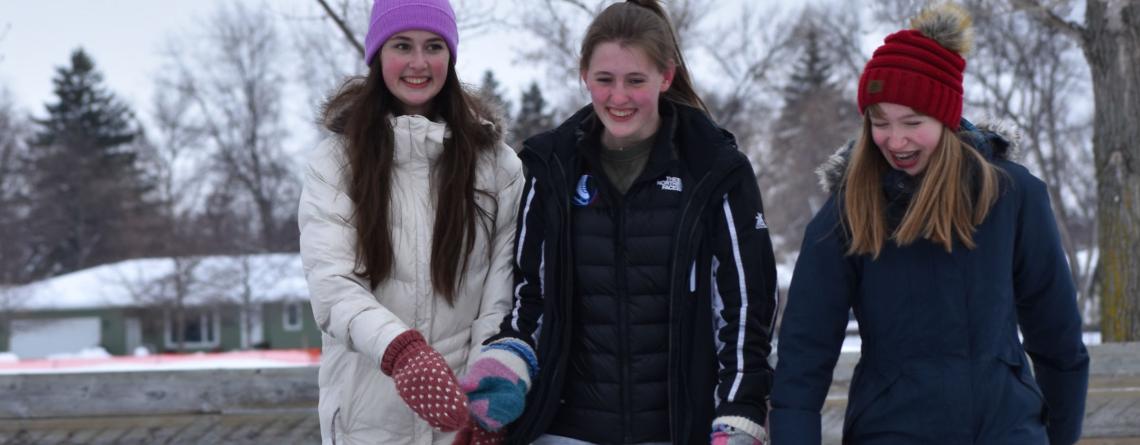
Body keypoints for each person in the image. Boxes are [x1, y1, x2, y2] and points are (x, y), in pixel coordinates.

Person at [456, 1, 778, 444]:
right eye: (605, 79)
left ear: (665, 77)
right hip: (566, 430)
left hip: (676, 428)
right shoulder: (553, 167)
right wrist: (509, 361)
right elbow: (532, 295)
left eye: (636, 81)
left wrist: (740, 412)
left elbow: (745, 309)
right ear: (584, 75)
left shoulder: (716, 170)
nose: (619, 97)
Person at [768, 4, 1089, 444]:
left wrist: (1058, 437)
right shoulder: (848, 212)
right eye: (879, 123)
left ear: (946, 117)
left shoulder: (1012, 196)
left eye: (912, 123)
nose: (895, 140)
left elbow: (1059, 343)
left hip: (1005, 431)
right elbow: (803, 360)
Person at [297, 0, 523, 443]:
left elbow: (501, 297)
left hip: (460, 420)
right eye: (402, 45)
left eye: (434, 46)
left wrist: (484, 402)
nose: (419, 63)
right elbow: (333, 286)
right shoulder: (334, 163)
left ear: (450, 56)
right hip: (367, 422)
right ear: (379, 53)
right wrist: (401, 352)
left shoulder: (497, 167)